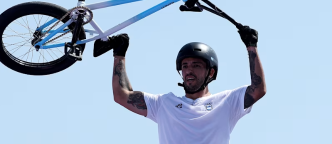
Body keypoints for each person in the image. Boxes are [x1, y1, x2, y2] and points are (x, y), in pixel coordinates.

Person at [94, 26, 266, 144]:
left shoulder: (227, 102)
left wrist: (251, 46)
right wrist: (119, 54)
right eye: (185, 66)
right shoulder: (163, 104)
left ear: (211, 73)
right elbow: (121, 95)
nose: (189, 71)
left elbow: (258, 89)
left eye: (196, 65)